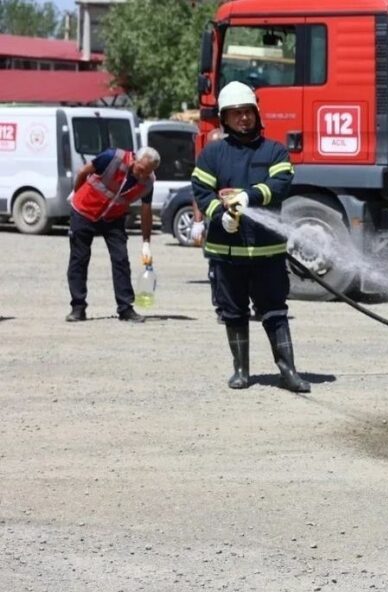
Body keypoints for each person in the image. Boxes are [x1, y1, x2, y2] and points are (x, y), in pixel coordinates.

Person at [189, 81, 310, 392]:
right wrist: (220, 214)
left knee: (275, 310)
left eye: (247, 112)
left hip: (267, 251)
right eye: (235, 113)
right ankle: (241, 371)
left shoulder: (275, 150)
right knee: (233, 312)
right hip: (226, 253)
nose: (243, 118)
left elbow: (282, 183)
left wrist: (247, 197)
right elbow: (201, 191)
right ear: (224, 119)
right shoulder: (212, 154)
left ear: (257, 114)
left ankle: (289, 371)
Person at [66, 146, 160, 323]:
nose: (142, 176)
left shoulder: (148, 182)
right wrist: (75, 194)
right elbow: (83, 171)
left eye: (147, 173)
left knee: (121, 259)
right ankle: (78, 307)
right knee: (79, 259)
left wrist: (146, 242)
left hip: (113, 218)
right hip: (85, 211)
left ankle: (125, 308)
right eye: (141, 170)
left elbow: (146, 210)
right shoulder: (112, 158)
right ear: (134, 159)